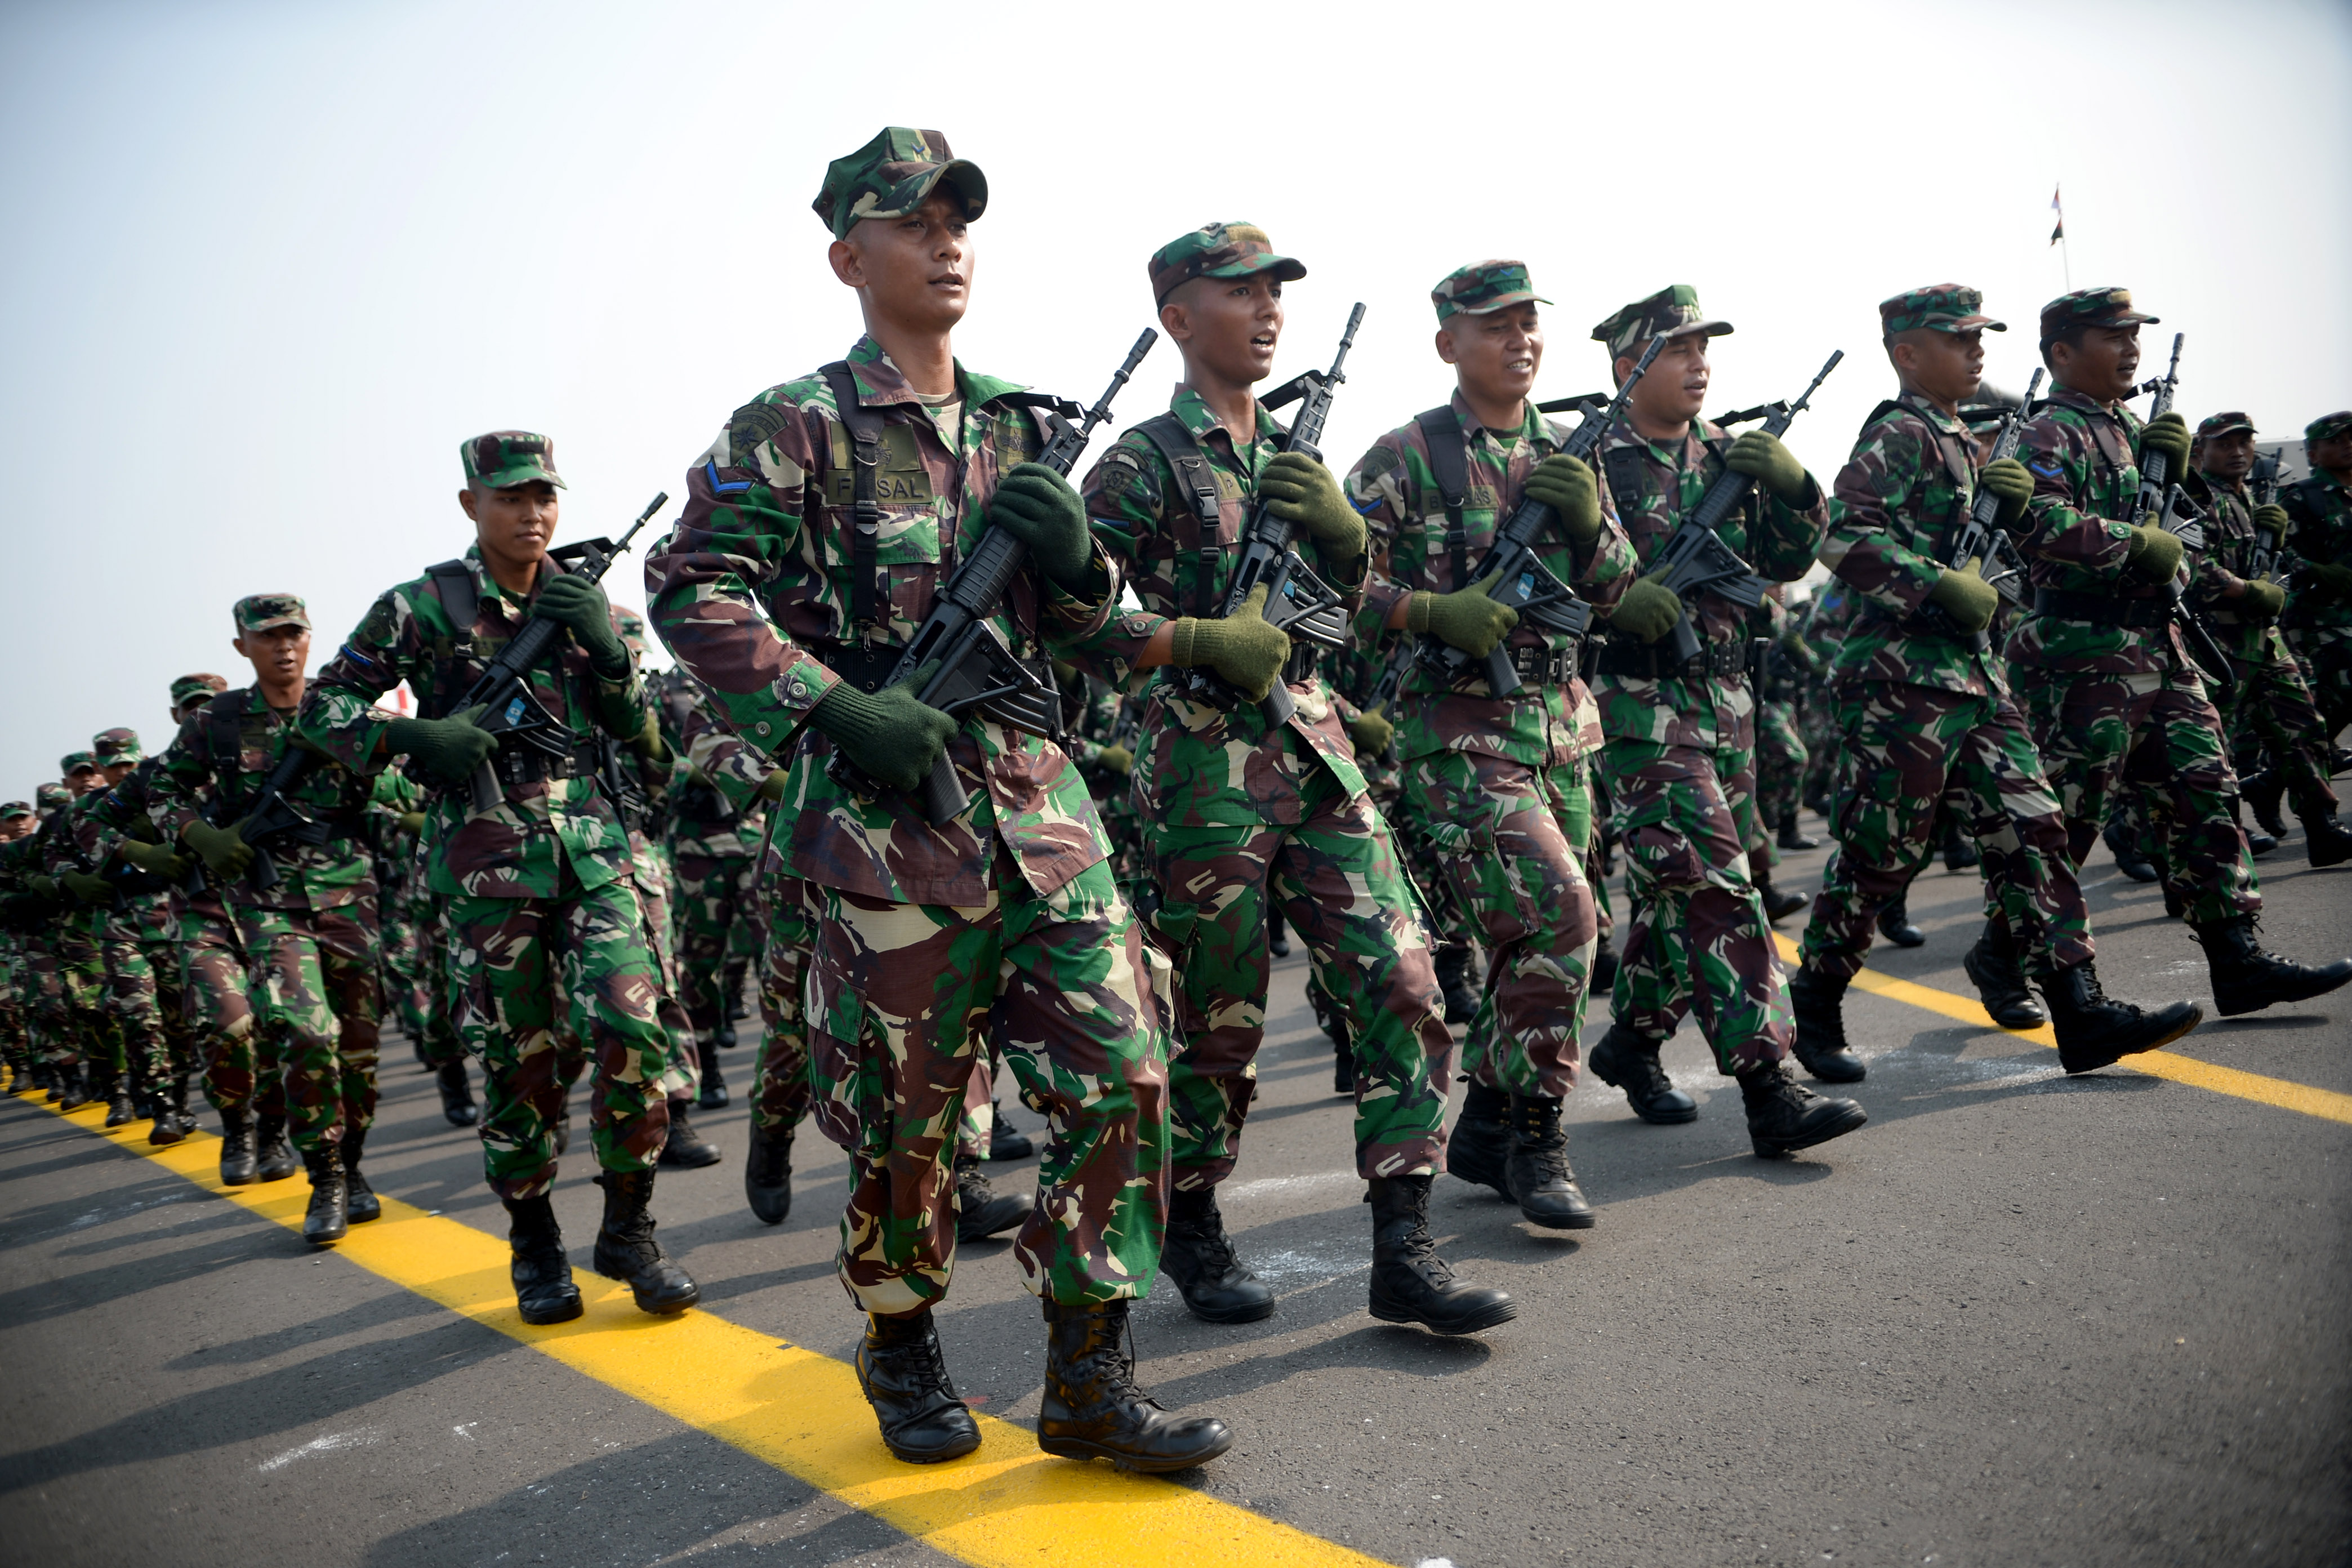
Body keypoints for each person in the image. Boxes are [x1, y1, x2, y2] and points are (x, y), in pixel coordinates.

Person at [644, 128, 1230, 1472]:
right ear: (850, 254)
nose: (946, 239)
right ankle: (901, 1338)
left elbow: (1084, 626)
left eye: (959, 217)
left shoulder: (1028, 422)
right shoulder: (794, 422)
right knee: (910, 1119)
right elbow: (691, 588)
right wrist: (833, 702)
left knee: (1123, 1079)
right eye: (913, 222)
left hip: (1038, 812)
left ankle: (1089, 1375)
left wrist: (1081, 564)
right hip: (885, 827)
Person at [1075, 221, 1510, 1336]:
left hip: (1314, 745)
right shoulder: (1140, 463)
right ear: (1178, 316)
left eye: (1276, 293)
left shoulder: (1296, 454)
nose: (1267, 310)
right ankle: (1191, 1214)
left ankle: (1406, 1244)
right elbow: (1074, 617)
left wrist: (1348, 536)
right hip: (1201, 763)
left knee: (1404, 979)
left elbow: (1348, 602)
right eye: (1239, 293)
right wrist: (1192, 643)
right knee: (1221, 1024)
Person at [299, 430, 700, 1319]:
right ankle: (535, 1241)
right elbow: (324, 710)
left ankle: (630, 1228)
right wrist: (408, 737)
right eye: (512, 498)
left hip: (594, 854)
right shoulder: (423, 607)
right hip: (485, 865)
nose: (532, 513)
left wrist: (604, 650)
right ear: (471, 505)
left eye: (544, 496)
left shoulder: (585, 599)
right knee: (521, 1062)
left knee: (634, 1032)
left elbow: (642, 736)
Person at [1789, 284, 2200, 1075]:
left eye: (1982, 336)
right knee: (1882, 852)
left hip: (1975, 673)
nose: (1979, 349)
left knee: (2037, 828)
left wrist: (2006, 515)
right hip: (1900, 676)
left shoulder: (1967, 439)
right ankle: (1816, 1003)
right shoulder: (1902, 434)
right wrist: (1934, 585)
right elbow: (1842, 536)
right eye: (1959, 338)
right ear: (1909, 354)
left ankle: (2078, 1008)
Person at [1343, 259, 1634, 1228]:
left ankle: (1488, 1118)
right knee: (1564, 912)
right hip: (1458, 731)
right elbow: (1327, 581)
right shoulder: (1404, 454)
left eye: (1527, 322)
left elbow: (1618, 590)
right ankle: (1536, 1136)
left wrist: (1591, 523)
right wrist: (1427, 608)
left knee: (1538, 942)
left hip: (1561, 726)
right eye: (1493, 324)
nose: (1519, 338)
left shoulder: (1568, 452)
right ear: (1448, 344)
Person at [1575, 285, 1867, 1156]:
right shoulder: (1592, 460)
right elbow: (1555, 578)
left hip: (1730, 699)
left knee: (1676, 897)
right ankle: (1771, 1083)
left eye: (1706, 349)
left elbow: (1786, 557)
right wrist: (1623, 598)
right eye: (1678, 350)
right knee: (1717, 887)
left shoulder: (1728, 456)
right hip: (1640, 704)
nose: (1700, 364)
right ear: (1628, 366)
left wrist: (1796, 487)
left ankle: (1631, 1043)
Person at [2008, 289, 2350, 1017]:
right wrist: (2133, 543)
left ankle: (2239, 958)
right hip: (2083, 652)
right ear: (2063, 352)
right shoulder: (2049, 431)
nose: (2130, 347)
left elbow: (2186, 542)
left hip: (2158, 647)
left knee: (2205, 793)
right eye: (2112, 336)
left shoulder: (2136, 431)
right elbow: (2034, 522)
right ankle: (2015, 957)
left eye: (2134, 335)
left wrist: (2175, 554)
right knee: (2068, 824)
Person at [149, 595, 387, 1242]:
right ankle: (327, 1176)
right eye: (268, 637)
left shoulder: (341, 709)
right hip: (268, 902)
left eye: (294, 633)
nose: (284, 647)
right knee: (305, 1031)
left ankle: (356, 1164)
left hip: (349, 896)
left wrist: (385, 782)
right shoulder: (217, 722)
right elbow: (162, 790)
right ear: (241, 648)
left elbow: (402, 781)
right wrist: (201, 836)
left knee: (360, 1051)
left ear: (310, 639)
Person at [2185, 413, 2351, 865]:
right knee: (2216, 745)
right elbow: (2193, 568)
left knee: (2305, 729)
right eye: (2225, 444)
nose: (2238, 451)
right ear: (2201, 451)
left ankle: (2322, 828)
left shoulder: (2252, 500)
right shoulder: (2197, 499)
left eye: (2244, 443)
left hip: (2263, 636)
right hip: (2218, 640)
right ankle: (2228, 838)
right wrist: (2249, 590)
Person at [2279, 410, 2352, 752]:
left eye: (2351, 438)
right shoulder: (2303, 496)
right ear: (2312, 453)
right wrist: (2317, 571)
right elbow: (2278, 551)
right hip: (2322, 619)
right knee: (2332, 698)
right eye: (2336, 441)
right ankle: (2288, 771)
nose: (2347, 445)